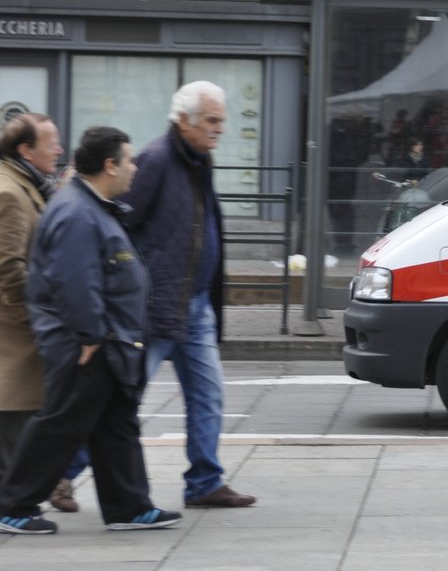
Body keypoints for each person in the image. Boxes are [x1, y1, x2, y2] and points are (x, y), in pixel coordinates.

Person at [0, 127, 181, 534]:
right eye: (129, 160)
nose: (135, 168)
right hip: (88, 344)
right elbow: (75, 282)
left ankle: (129, 507)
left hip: (106, 339)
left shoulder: (93, 206)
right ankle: (12, 506)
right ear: (109, 165)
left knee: (115, 423)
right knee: (61, 423)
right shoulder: (77, 212)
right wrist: (88, 336)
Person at [125, 82, 256, 509]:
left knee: (208, 394)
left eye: (222, 121)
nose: (220, 129)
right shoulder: (156, 160)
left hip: (194, 305)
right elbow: (122, 228)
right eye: (212, 121)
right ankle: (62, 476)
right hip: (157, 305)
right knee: (120, 398)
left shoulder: (199, 159)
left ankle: (204, 482)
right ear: (183, 121)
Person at [0, 114, 63, 493]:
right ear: (25, 149)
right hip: (14, 335)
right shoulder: (10, 192)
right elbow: (8, 268)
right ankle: (12, 506)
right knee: (13, 423)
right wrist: (34, 319)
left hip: (19, 333)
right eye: (50, 143)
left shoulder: (27, 185)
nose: (58, 149)